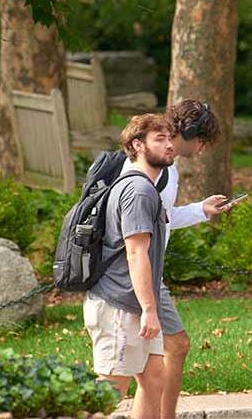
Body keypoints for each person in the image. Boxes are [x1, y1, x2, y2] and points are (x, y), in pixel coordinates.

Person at [87, 114, 180, 419]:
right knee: (109, 391)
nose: (169, 145)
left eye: (170, 138)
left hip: (135, 305)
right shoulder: (138, 191)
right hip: (120, 305)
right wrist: (150, 309)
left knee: (155, 380)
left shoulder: (146, 188)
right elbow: (136, 253)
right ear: (137, 145)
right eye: (160, 139)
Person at [154, 99, 233, 418]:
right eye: (200, 141)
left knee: (144, 360)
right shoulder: (158, 165)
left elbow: (163, 216)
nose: (201, 150)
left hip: (143, 267)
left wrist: (201, 209)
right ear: (186, 131)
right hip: (136, 268)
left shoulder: (166, 167)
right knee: (175, 346)